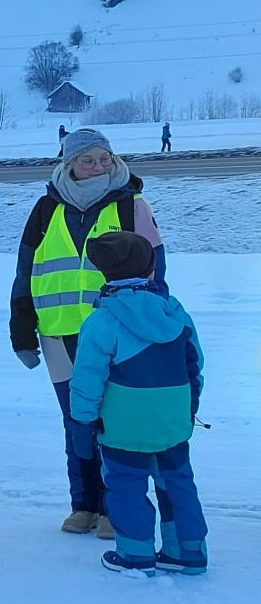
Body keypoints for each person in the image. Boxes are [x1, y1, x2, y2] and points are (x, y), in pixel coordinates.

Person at [10, 127, 166, 538]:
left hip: (117, 335)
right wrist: (21, 330)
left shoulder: (132, 206)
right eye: (88, 160)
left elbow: (156, 272)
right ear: (69, 164)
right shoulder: (46, 209)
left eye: (104, 159)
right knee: (76, 421)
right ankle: (84, 504)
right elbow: (26, 271)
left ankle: (116, 507)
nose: (98, 167)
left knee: (115, 421)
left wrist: (154, 325)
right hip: (58, 334)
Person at [68, 232, 208, 577]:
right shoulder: (175, 312)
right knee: (178, 483)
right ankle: (188, 551)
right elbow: (194, 365)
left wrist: (83, 421)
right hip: (172, 422)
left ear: (105, 272)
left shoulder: (101, 321)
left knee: (126, 486)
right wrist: (189, 407)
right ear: (150, 269)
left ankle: (135, 554)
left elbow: (87, 380)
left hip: (123, 427)